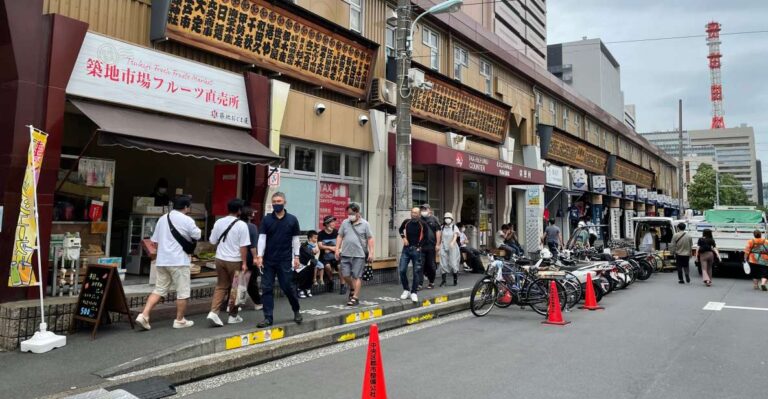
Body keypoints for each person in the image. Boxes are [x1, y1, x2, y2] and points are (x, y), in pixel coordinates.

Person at [135, 196, 200, 330]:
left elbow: (155, 242)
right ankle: (179, 320)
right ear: (186, 207)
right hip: (178, 261)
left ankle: (144, 315)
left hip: (162, 261)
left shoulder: (163, 218)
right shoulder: (187, 220)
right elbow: (197, 235)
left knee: (159, 289)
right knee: (182, 292)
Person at [256, 192, 303, 327]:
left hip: (285, 260)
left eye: (279, 201)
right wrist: (259, 256)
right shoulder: (266, 220)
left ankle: (296, 310)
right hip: (268, 260)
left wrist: (297, 257)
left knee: (287, 287)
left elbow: (295, 240)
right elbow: (262, 238)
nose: (276, 204)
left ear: (284, 203)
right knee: (266, 288)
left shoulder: (292, 220)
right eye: (274, 202)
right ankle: (268, 318)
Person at [207, 199, 251, 327]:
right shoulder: (242, 225)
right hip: (235, 260)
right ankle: (233, 315)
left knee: (221, 285)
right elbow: (243, 246)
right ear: (239, 210)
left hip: (220, 259)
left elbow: (212, 241)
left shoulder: (219, 222)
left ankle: (214, 312)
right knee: (237, 287)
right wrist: (244, 263)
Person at [335, 203, 374, 306]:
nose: (350, 215)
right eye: (348, 213)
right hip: (345, 253)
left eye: (352, 213)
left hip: (359, 255)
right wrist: (337, 249)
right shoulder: (345, 222)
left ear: (357, 212)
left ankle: (355, 297)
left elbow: (370, 238)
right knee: (345, 275)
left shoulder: (365, 224)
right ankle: (353, 288)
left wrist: (371, 252)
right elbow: (340, 236)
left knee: (356, 276)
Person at [398, 207, 426, 302]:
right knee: (402, 270)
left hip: (416, 250)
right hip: (406, 249)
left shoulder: (422, 224)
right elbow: (400, 230)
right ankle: (406, 289)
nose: (413, 214)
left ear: (419, 214)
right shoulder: (406, 222)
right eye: (412, 212)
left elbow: (426, 237)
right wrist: (404, 238)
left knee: (416, 272)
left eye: (416, 213)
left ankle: (414, 292)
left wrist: (419, 246)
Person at [419, 204, 441, 290]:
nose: (423, 211)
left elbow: (438, 232)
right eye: (422, 209)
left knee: (431, 265)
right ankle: (419, 284)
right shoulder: (419, 219)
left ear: (429, 210)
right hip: (421, 247)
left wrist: (437, 244)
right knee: (420, 265)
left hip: (431, 246)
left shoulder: (434, 219)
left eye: (425, 209)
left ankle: (431, 282)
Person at [318, 216, 342, 294]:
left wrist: (329, 249)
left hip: (336, 255)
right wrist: (331, 248)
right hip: (324, 257)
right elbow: (320, 246)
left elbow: (340, 244)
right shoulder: (321, 234)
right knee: (327, 267)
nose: (334, 223)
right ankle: (331, 281)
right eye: (332, 222)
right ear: (327, 224)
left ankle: (342, 285)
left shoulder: (336, 232)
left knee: (340, 266)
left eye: (334, 222)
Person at [296, 230, 321, 298]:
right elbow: (309, 254)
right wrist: (313, 252)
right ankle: (300, 289)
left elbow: (315, 256)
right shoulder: (304, 245)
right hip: (302, 265)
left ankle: (307, 288)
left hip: (310, 264)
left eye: (317, 238)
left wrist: (314, 251)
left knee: (311, 271)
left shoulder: (315, 245)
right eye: (315, 238)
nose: (316, 240)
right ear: (310, 238)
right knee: (305, 272)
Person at [439, 212, 461, 287]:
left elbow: (455, 236)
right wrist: (438, 245)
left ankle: (455, 279)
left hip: (453, 247)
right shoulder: (442, 227)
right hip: (443, 246)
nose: (447, 219)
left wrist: (452, 242)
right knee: (443, 263)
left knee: (453, 263)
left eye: (449, 218)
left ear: (451, 219)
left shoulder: (454, 227)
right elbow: (440, 236)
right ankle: (443, 281)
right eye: (446, 218)